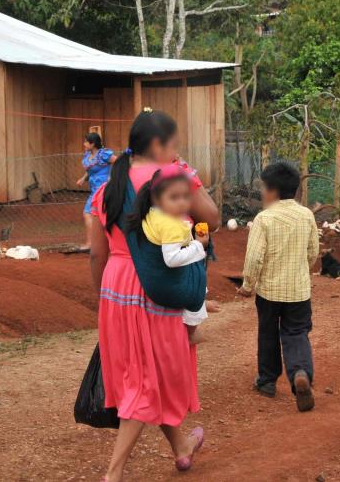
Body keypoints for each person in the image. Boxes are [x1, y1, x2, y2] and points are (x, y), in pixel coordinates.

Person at [89, 109, 219, 482]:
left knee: (145, 373)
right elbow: (211, 214)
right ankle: (113, 474)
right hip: (157, 284)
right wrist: (190, 174)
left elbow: (98, 252)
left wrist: (102, 301)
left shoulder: (106, 187)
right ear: (160, 145)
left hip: (116, 287)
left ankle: (181, 447)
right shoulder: (171, 178)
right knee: (144, 382)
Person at [237, 161, 320, 412]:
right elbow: (313, 252)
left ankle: (267, 383)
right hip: (298, 292)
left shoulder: (264, 219)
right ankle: (300, 373)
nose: (262, 192)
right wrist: (299, 269)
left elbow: (254, 258)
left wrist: (247, 285)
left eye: (263, 188)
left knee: (269, 333)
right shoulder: (306, 215)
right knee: (296, 333)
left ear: (272, 191)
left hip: (269, 292)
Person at [126, 165, 210, 344]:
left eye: (186, 197)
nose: (181, 202)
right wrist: (199, 245)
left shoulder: (153, 213)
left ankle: (202, 304)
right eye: (174, 197)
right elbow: (172, 259)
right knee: (199, 276)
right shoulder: (171, 224)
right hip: (170, 287)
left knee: (196, 271)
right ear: (156, 197)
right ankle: (191, 332)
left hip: (154, 281)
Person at [77, 132, 117, 251]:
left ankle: (90, 243)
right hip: (94, 189)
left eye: (86, 141)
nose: (84, 144)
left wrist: (113, 177)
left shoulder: (104, 154)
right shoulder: (88, 155)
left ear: (92, 143)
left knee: (87, 213)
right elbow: (90, 170)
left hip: (103, 188)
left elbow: (119, 162)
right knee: (102, 215)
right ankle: (105, 243)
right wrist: (83, 179)